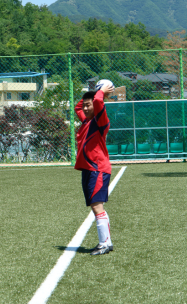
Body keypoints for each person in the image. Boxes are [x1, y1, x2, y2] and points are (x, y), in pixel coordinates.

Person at [74, 84, 115, 255]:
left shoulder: (100, 121)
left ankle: (105, 244)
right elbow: (78, 106)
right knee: (94, 205)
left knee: (97, 206)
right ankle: (106, 242)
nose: (84, 107)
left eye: (88, 105)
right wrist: (92, 93)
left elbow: (98, 100)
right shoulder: (86, 120)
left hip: (97, 168)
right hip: (88, 169)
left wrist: (102, 93)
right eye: (85, 104)